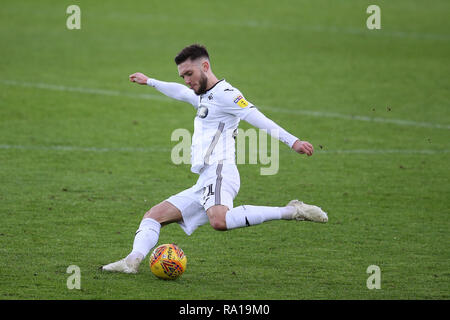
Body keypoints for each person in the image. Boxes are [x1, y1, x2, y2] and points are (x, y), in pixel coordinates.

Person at [102, 44, 328, 274]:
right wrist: (150, 81)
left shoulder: (226, 94)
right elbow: (180, 92)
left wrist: (294, 142)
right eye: (183, 76)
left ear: (205, 66)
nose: (186, 80)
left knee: (219, 221)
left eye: (189, 74)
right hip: (205, 179)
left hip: (220, 171)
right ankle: (131, 262)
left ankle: (292, 211)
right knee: (153, 216)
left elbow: (257, 117)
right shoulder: (202, 96)